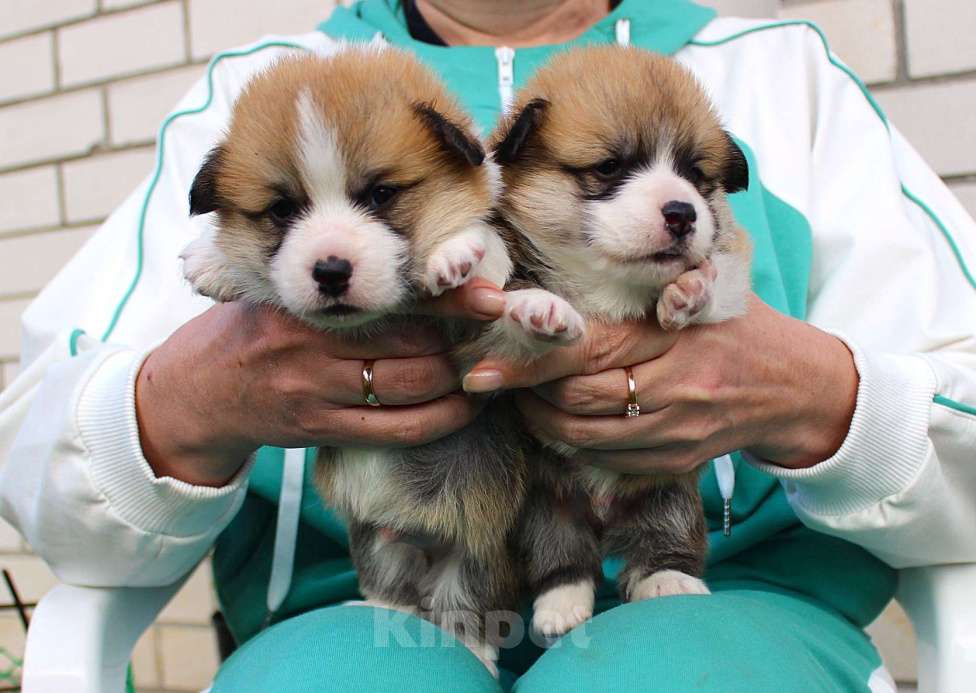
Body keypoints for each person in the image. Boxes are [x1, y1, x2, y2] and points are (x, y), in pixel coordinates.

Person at [1, 0, 974, 690]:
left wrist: (819, 395)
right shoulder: (254, 90)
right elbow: (42, 446)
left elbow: (956, 383)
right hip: (356, 622)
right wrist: (193, 398)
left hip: (729, 614)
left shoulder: (778, 69)